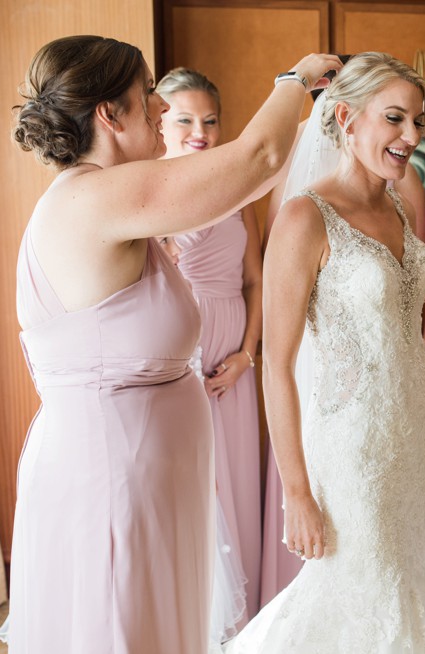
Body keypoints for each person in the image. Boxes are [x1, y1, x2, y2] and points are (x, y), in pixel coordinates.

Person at [9, 34, 340, 653]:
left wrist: (334, 119)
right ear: (111, 113)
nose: (161, 110)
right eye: (148, 96)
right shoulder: (93, 197)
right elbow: (257, 159)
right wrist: (296, 78)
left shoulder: (113, 195)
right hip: (113, 484)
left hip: (146, 481)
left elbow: (246, 183)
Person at [225, 52, 425, 652]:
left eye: (420, 123)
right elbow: (276, 362)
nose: (412, 137)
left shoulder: (401, 207)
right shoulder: (306, 216)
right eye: (395, 119)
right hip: (352, 447)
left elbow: (406, 338)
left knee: (403, 580)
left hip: (410, 443)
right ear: (346, 118)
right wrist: (296, 490)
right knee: (360, 586)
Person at [155, 67, 265, 627]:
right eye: (185, 119)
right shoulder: (149, 189)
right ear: (161, 123)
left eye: (210, 120)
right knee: (199, 486)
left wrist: (249, 353)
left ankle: (240, 622)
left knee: (238, 477)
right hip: (182, 349)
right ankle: (194, 619)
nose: (200, 131)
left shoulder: (237, 187)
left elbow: (255, 277)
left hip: (235, 360)